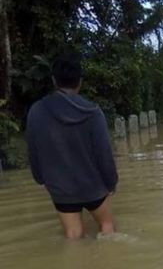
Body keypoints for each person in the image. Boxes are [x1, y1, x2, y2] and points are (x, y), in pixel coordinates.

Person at [26, 52, 118, 239]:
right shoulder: (93, 112)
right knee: (107, 225)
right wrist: (111, 182)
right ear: (80, 81)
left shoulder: (37, 111)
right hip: (93, 186)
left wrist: (40, 179)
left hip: (61, 189)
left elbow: (33, 150)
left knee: (73, 235)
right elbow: (103, 153)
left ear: (54, 80)